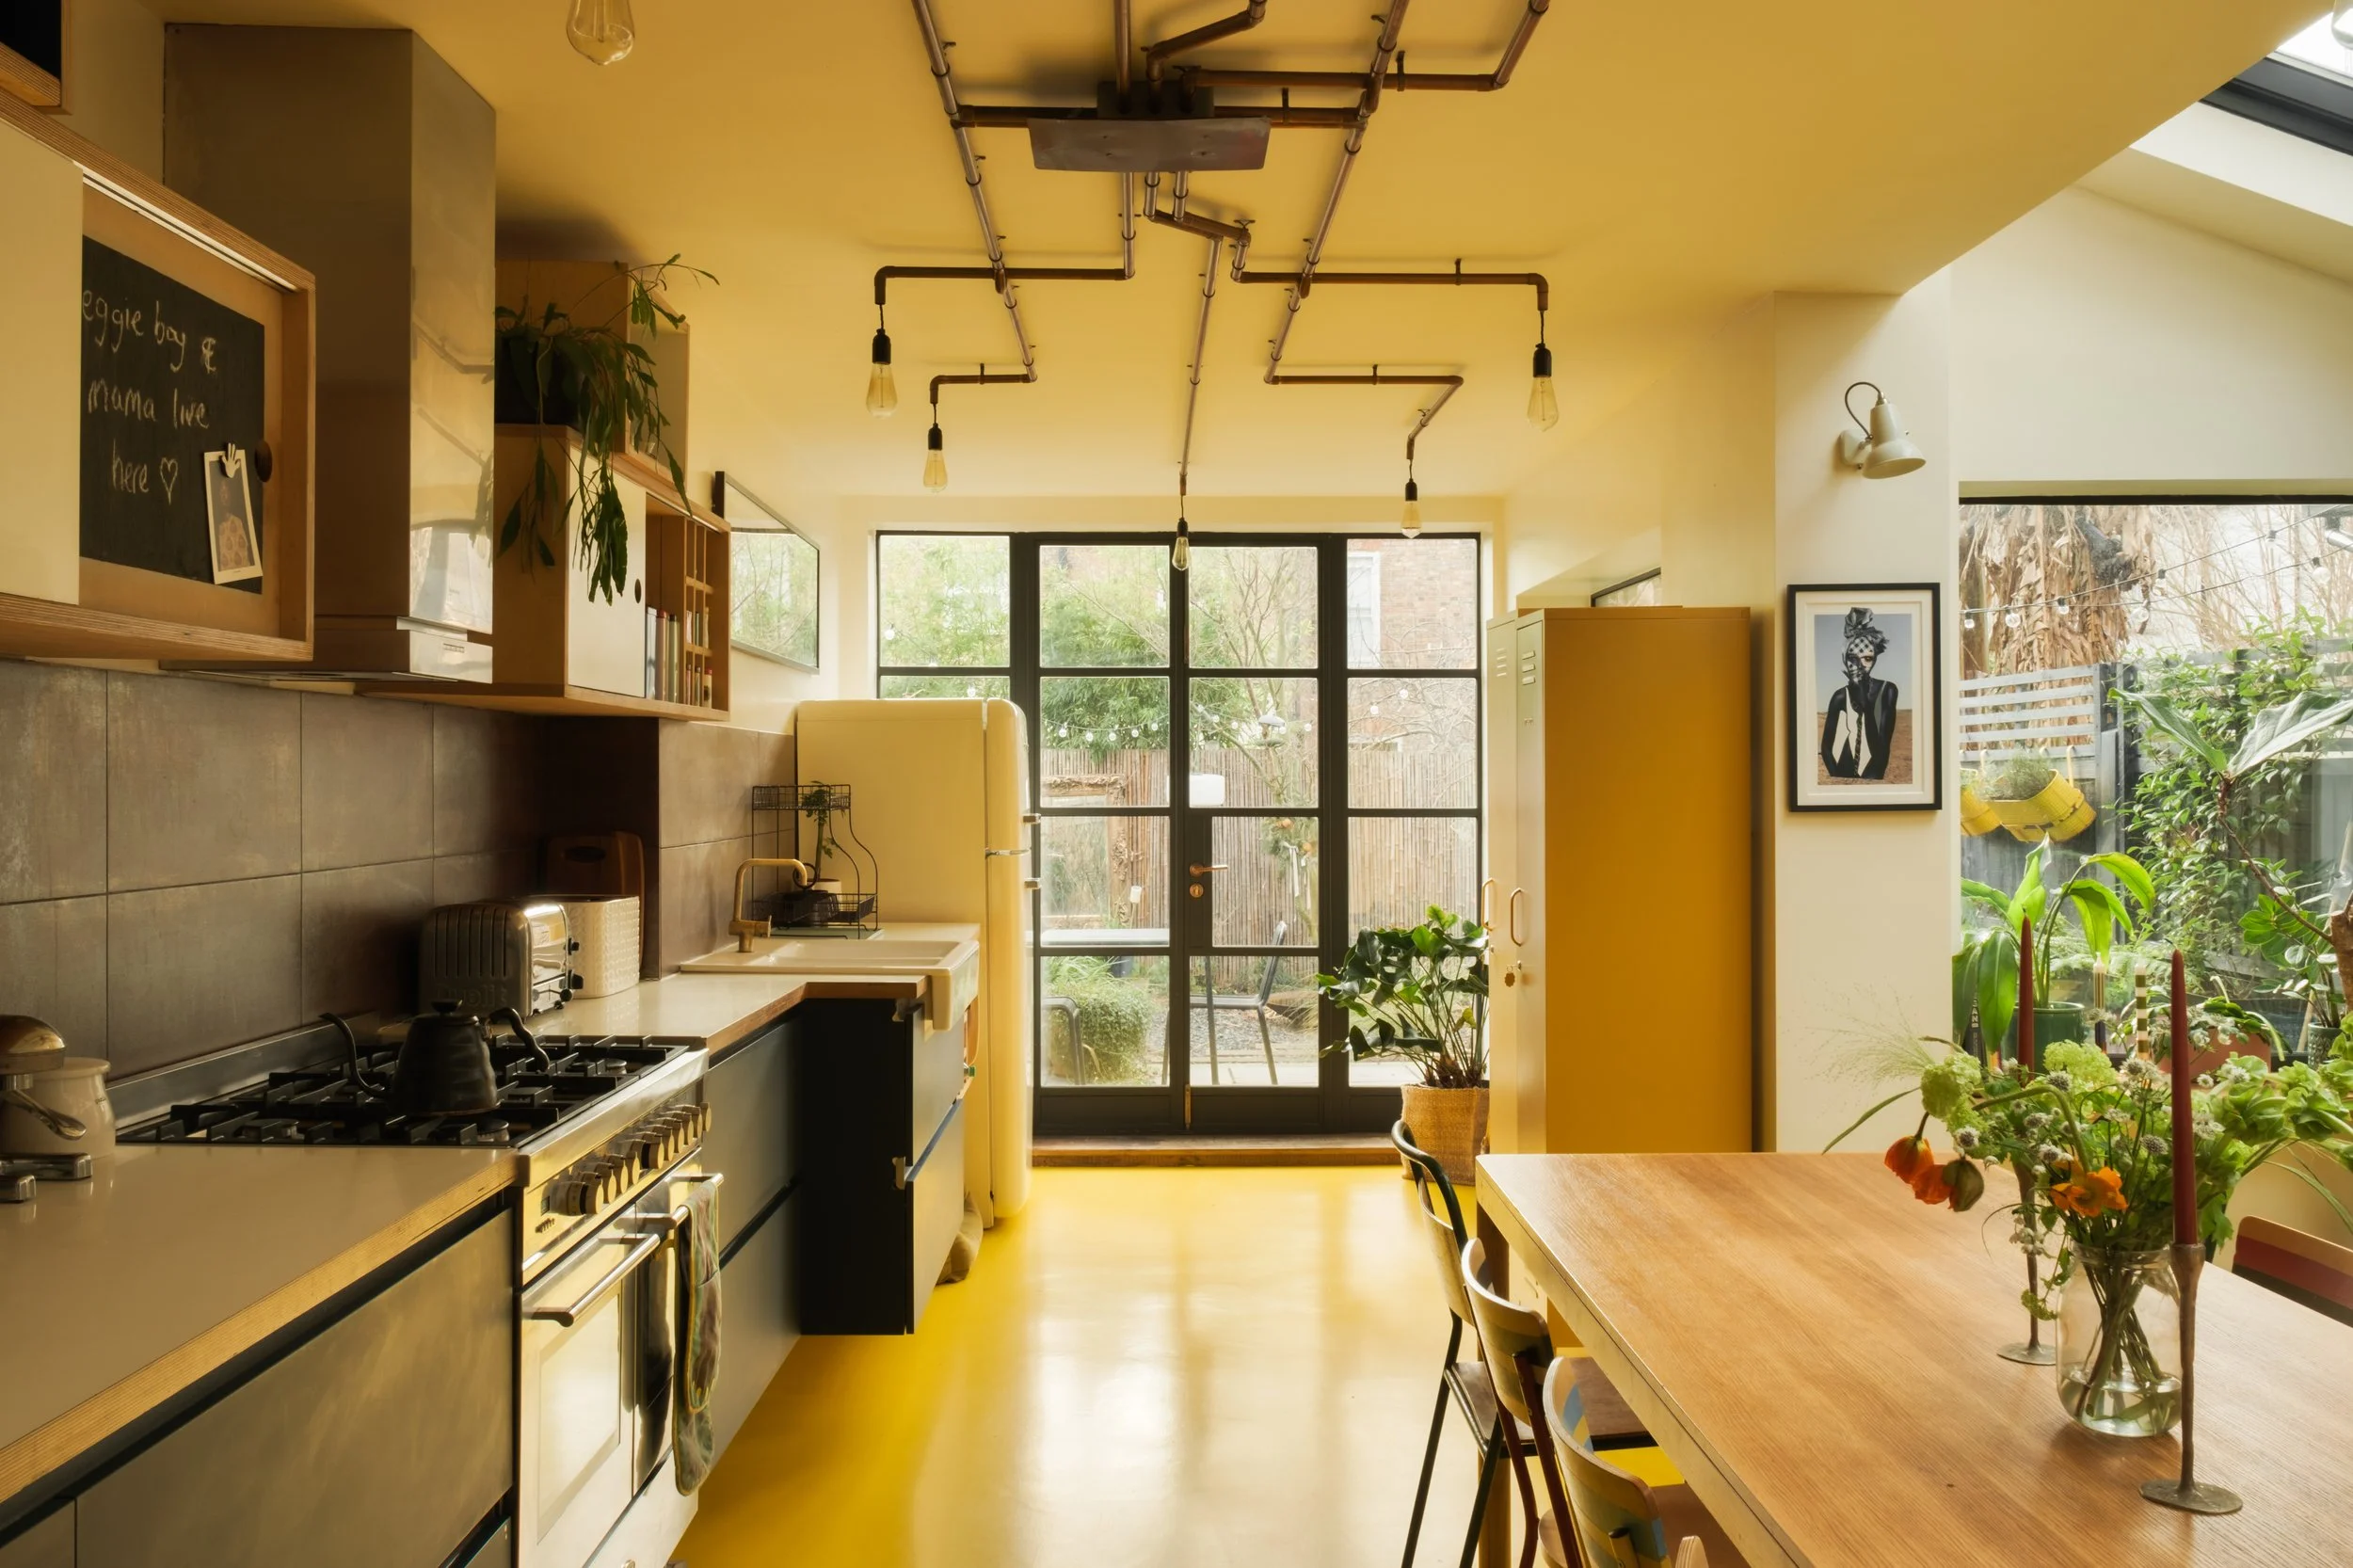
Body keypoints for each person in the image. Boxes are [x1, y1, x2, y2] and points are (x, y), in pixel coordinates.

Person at [1820, 606, 1897, 780]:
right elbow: (1826, 747)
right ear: (1845, 659)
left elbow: (1881, 750)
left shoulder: (1887, 691)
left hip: (1873, 775)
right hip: (1844, 771)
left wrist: (1867, 707)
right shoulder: (1840, 696)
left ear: (1875, 658)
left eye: (1867, 658)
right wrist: (1837, 776)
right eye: (1852, 658)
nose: (1860, 666)